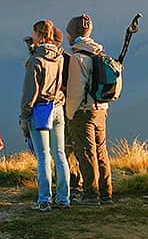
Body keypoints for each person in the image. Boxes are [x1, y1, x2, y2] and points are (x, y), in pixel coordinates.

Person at [64, 14, 112, 206]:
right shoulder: (99, 54)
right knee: (101, 151)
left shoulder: (78, 57)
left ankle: (91, 195)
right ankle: (106, 193)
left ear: (73, 34)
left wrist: (70, 113)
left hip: (83, 111)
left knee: (85, 152)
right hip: (101, 108)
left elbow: (76, 89)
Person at [22, 19, 69, 212]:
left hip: (40, 109)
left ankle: (44, 200)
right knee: (60, 154)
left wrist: (24, 116)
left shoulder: (36, 60)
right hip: (57, 106)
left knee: (43, 156)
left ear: (38, 35)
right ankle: (64, 199)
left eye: (33, 33)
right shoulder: (59, 56)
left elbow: (29, 92)